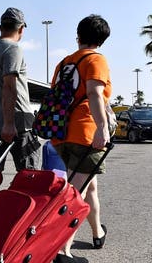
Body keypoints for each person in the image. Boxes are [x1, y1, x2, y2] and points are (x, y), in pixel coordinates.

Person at [52, 15, 112, 263]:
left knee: (88, 186)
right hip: (85, 133)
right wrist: (102, 127)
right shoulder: (96, 59)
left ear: (78, 36)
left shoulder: (64, 62)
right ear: (102, 40)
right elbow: (95, 94)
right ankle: (62, 250)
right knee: (75, 194)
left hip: (62, 134)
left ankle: (97, 233)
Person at [0, 7, 41, 171]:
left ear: (0, 28)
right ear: (21, 29)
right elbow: (9, 86)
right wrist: (8, 123)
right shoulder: (13, 48)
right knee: (30, 176)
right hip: (17, 124)